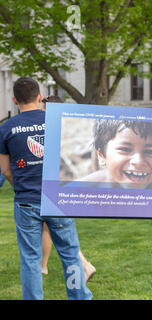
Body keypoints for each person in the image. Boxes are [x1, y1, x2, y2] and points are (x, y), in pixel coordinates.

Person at [0, 77, 92, 299]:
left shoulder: (6, 128)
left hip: (25, 201)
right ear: (40, 97)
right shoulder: (56, 121)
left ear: (14, 100)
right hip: (57, 199)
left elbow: (5, 171)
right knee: (70, 254)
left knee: (31, 259)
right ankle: (79, 296)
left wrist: (19, 186)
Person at [40, 95, 96, 282]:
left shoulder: (56, 129)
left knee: (59, 228)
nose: (41, 112)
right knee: (52, 227)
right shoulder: (61, 126)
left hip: (59, 188)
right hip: (60, 186)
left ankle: (85, 265)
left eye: (44, 109)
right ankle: (44, 266)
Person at [77, 119, 152, 189]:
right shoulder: (79, 193)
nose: (138, 161)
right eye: (125, 149)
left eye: (150, 151)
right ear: (101, 156)